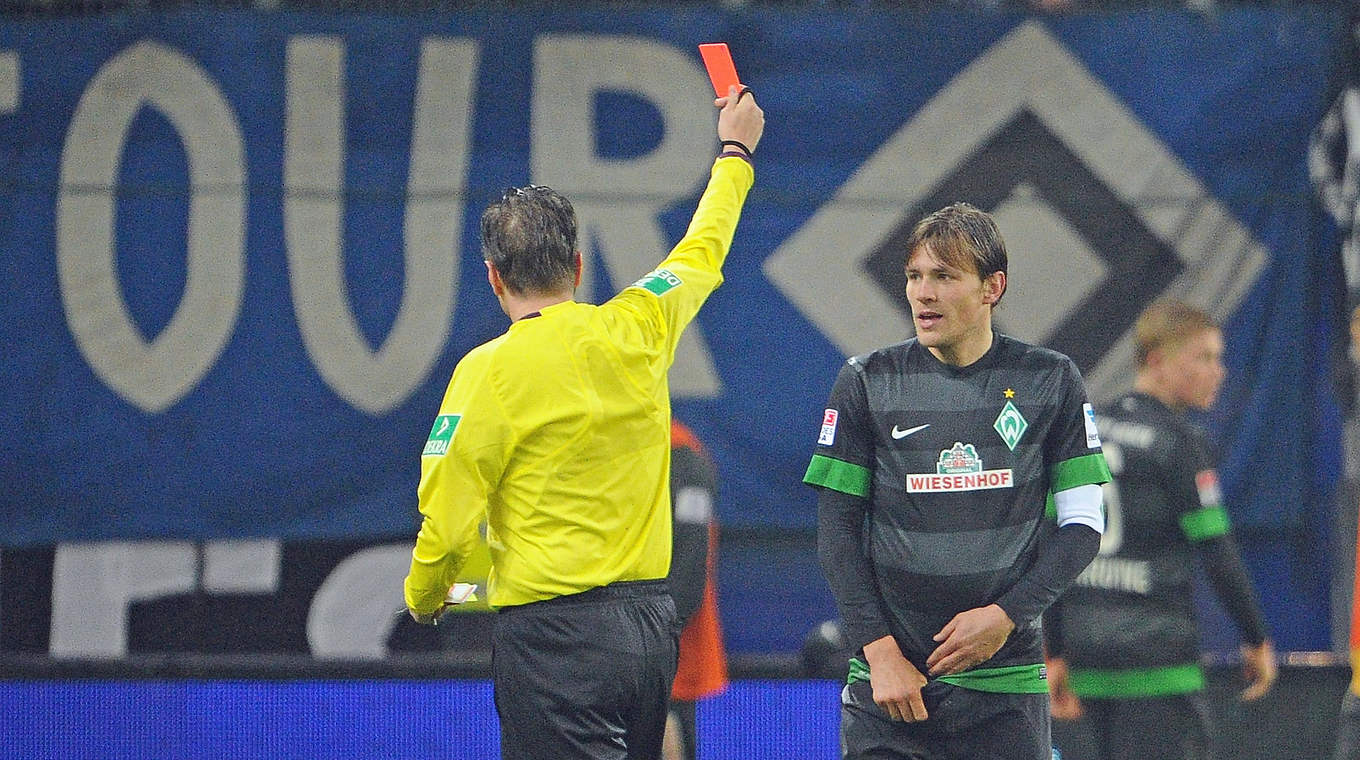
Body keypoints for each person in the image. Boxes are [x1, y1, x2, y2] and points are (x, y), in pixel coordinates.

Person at [402, 86, 764, 760]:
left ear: (493, 279)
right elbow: (700, 249)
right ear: (575, 265)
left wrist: (425, 595)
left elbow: (448, 516)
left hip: (552, 638)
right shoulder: (641, 322)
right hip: (649, 633)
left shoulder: (486, 371)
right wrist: (736, 152)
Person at [805, 202, 1110, 760]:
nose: (923, 293)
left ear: (992, 287)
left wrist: (1004, 617)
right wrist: (880, 654)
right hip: (892, 687)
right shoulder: (865, 381)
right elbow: (837, 532)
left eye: (944, 277)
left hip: (1004, 690)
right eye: (915, 277)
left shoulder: (1052, 379)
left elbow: (1084, 527)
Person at [1044, 299, 1277, 760]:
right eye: (1205, 357)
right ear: (1156, 361)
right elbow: (1217, 551)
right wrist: (1254, 637)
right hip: (1158, 666)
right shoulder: (1180, 443)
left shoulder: (1085, 429)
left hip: (1086, 662)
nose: (1220, 371)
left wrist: (1054, 649)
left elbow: (1054, 547)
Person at [662, 419, 729, 760]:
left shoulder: (682, 457)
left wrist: (661, 634)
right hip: (625, 644)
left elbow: (690, 558)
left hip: (668, 647)